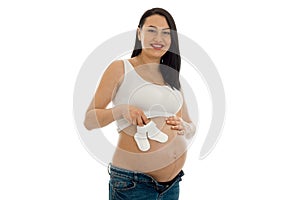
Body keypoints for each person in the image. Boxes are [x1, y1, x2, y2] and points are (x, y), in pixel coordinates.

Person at [84, 7, 196, 200]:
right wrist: (120, 111)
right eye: (151, 30)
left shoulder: (172, 77)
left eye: (166, 33)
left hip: (172, 185)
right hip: (134, 184)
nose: (158, 38)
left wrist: (184, 126)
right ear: (139, 33)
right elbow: (89, 120)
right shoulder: (121, 68)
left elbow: (190, 127)